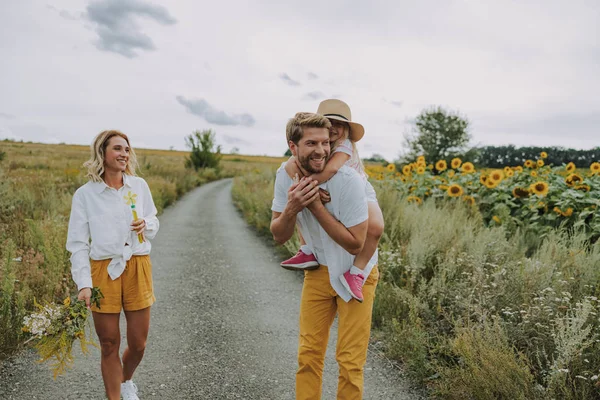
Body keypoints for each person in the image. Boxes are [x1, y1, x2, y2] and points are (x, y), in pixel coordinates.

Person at [271, 110, 379, 399]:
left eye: (324, 142)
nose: (321, 149)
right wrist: (293, 206)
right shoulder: (286, 175)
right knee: (308, 354)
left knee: (350, 360)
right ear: (293, 147)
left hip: (356, 271)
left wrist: (315, 207)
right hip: (318, 270)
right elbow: (279, 234)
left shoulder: (349, 181)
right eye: (311, 144)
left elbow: (356, 244)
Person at [66, 130, 159, 400]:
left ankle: (125, 380)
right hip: (103, 271)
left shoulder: (138, 186)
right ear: (102, 154)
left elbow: (153, 219)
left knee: (138, 344)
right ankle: (115, 396)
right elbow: (78, 244)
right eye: (118, 148)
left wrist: (146, 223)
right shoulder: (85, 195)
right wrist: (84, 284)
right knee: (109, 343)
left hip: (137, 265)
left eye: (127, 149)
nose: (124, 154)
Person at [280, 99, 384, 303]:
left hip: (360, 189)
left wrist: (311, 185)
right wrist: (307, 187)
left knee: (376, 228)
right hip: (330, 187)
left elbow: (332, 169)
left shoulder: (345, 145)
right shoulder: (316, 143)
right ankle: (306, 251)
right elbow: (290, 164)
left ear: (347, 129)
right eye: (330, 122)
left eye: (340, 124)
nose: (334, 128)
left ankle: (356, 271)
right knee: (303, 208)